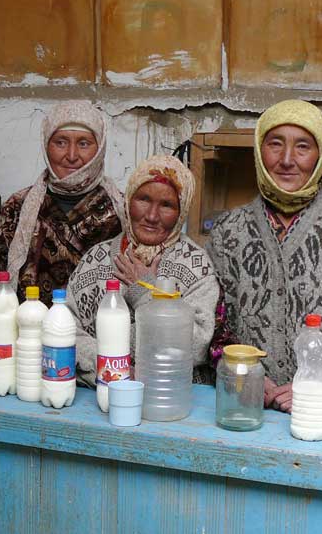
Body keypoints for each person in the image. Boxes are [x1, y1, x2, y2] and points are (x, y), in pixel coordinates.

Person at [207, 100, 322, 413]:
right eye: (275, 144)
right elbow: (215, 328)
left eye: (303, 146)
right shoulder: (228, 232)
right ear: (259, 150)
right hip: (246, 406)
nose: (287, 160)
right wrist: (243, 373)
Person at [67, 154, 221, 385]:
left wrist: (145, 290)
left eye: (167, 205)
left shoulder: (195, 265)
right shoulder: (95, 260)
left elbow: (198, 345)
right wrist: (113, 367)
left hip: (171, 400)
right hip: (98, 393)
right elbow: (66, 329)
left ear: (181, 212)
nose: (151, 216)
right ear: (129, 200)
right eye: (143, 199)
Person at [0, 101, 124, 305]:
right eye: (61, 142)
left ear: (100, 148)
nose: (72, 156)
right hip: (29, 331)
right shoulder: (17, 207)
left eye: (83, 143)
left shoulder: (122, 210)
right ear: (46, 145)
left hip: (103, 332)